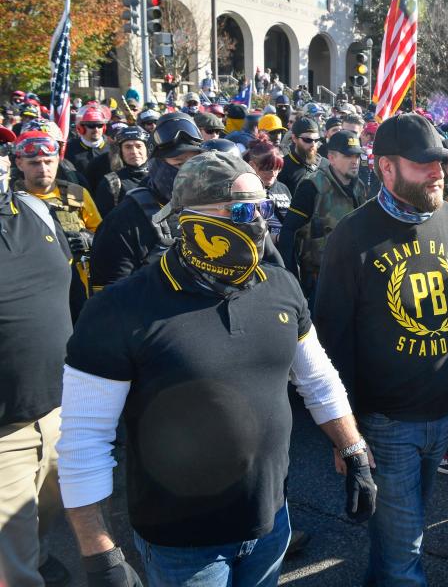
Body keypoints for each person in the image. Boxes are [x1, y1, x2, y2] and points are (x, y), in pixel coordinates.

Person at [57, 151, 375, 587]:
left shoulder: (279, 285)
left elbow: (317, 378)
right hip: (182, 544)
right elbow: (83, 440)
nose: (261, 222)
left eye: (266, 208)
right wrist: (99, 553)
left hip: (270, 522)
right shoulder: (120, 309)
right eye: (244, 210)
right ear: (191, 218)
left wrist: (352, 447)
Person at [315, 113, 448, 585]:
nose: (438, 172)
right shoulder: (352, 236)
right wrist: (346, 433)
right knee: (406, 550)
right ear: (386, 168)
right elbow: (329, 342)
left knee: (403, 529)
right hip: (386, 423)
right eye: (423, 163)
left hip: (443, 414)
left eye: (441, 162)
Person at [0, 143, 74, 587]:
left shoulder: (35, 210)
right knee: (14, 570)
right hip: (3, 433)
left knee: (46, 525)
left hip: (60, 412)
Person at [89, 112, 203, 292]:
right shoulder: (124, 220)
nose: (190, 172)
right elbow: (109, 295)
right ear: (157, 165)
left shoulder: (212, 206)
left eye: (195, 163)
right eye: (179, 164)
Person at [14, 129, 101, 321]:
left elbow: (103, 237)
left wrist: (88, 239)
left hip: (78, 286)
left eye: (48, 162)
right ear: (20, 163)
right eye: (34, 163)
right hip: (31, 290)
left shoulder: (77, 195)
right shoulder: (10, 202)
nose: (43, 168)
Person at [278, 130, 367, 305]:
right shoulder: (312, 186)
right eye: (348, 155)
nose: (355, 161)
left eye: (357, 155)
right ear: (331, 158)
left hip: (354, 276)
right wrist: (291, 280)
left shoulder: (359, 187)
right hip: (319, 280)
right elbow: (289, 231)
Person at [94, 126, 150, 218]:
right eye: (128, 147)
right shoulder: (111, 182)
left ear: (147, 149)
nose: (134, 151)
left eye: (139, 146)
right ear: (120, 151)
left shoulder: (161, 176)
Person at [245, 136, 290, 244]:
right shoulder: (245, 191)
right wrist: (279, 238)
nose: (273, 173)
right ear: (252, 165)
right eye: (268, 168)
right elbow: (246, 231)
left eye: (277, 168)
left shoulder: (282, 188)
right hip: (261, 255)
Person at [64, 103, 111, 191]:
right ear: (81, 128)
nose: (96, 129)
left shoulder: (113, 147)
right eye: (91, 125)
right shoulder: (69, 149)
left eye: (100, 125)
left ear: (104, 127)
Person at [277, 117, 323, 194]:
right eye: (307, 140)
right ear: (294, 138)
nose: (313, 144)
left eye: (316, 140)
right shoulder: (282, 168)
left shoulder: (325, 165)